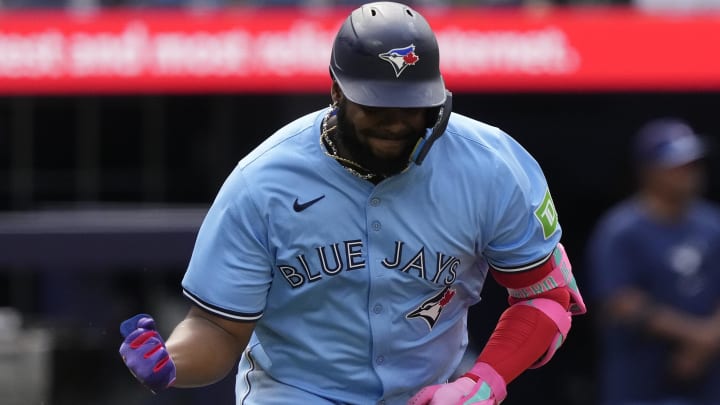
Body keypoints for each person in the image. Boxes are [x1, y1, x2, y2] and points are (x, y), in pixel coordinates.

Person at [118, 2, 586, 404]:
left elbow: (545, 298)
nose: (394, 123)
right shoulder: (262, 181)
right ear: (336, 91)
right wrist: (172, 363)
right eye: (375, 106)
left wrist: (481, 384)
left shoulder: (491, 166)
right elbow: (219, 328)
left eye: (411, 106)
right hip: (296, 391)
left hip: (430, 391)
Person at [587, 118, 720, 405]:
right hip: (641, 382)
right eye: (678, 165)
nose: (690, 173)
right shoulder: (621, 230)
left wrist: (709, 338)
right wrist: (696, 335)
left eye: (693, 164)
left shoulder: (713, 224)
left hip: (708, 381)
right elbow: (620, 302)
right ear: (649, 171)